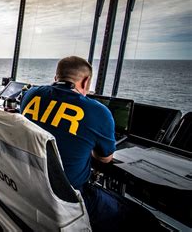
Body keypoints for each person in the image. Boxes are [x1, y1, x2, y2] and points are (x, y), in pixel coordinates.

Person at [20, 56, 161, 231]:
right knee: (146, 220)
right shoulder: (98, 111)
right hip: (69, 197)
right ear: (86, 81)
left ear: (56, 77)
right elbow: (104, 159)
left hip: (26, 183)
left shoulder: (30, 94)